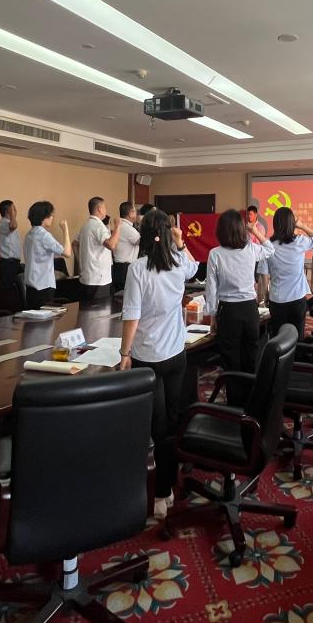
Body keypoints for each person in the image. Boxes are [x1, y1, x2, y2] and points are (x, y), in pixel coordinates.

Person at [118, 210, 197, 519]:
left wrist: (124, 353)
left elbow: (132, 316)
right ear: (166, 234)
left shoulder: (138, 269)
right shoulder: (178, 262)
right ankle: (168, 484)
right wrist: (180, 241)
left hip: (148, 357)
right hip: (176, 354)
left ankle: (161, 490)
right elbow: (193, 266)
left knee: (158, 425)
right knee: (173, 421)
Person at [204, 209, 273, 372]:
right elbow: (270, 249)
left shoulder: (215, 254)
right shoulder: (251, 249)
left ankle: (234, 388)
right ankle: (249, 387)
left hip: (228, 311)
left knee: (230, 360)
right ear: (242, 229)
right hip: (250, 310)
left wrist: (213, 317)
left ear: (221, 231)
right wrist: (254, 231)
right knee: (250, 356)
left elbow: (211, 288)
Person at [265, 207, 313, 337]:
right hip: (297, 300)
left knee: (278, 339)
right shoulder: (300, 241)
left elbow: (264, 276)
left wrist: (265, 294)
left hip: (277, 301)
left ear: (275, 224)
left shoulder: (268, 245)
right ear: (292, 224)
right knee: (297, 338)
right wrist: (302, 226)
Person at [23, 201, 70, 309]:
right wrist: (65, 230)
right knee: (46, 318)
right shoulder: (44, 235)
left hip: (31, 285)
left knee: (33, 317)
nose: (52, 218)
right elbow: (67, 253)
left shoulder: (29, 234)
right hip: (43, 286)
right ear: (44, 217)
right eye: (51, 215)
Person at [77, 196, 121, 302]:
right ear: (99, 209)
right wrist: (118, 226)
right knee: (99, 310)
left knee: (86, 309)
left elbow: (75, 243)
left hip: (87, 276)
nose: (106, 210)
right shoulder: (98, 226)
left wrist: (80, 262)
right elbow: (111, 245)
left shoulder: (86, 225)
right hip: (98, 279)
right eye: (105, 207)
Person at [111, 201, 141, 292]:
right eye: (135, 212)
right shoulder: (128, 228)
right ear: (130, 213)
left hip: (119, 267)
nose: (136, 214)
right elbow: (143, 242)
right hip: (124, 268)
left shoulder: (121, 225)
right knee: (125, 295)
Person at [0, 199, 23, 288]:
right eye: (13, 209)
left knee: (15, 291)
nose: (16, 211)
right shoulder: (3, 222)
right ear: (8, 211)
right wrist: (12, 214)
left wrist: (12, 214)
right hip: (7, 264)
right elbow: (13, 226)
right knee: (8, 292)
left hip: (12, 264)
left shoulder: (7, 222)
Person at [247, 205, 270, 302]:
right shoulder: (245, 227)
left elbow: (260, 244)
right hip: (247, 258)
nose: (249, 216)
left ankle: (257, 301)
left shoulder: (260, 227)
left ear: (256, 215)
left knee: (257, 281)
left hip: (257, 258)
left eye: (251, 214)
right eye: (248, 214)